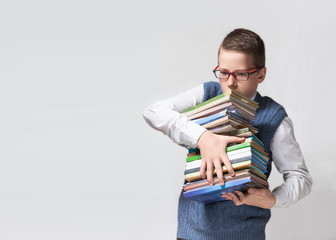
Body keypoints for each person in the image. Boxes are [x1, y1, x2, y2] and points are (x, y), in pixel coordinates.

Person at [142, 28, 312, 240]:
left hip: (246, 234)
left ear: (261, 74)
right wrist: (203, 138)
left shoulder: (274, 117)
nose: (230, 82)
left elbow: (300, 177)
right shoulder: (207, 94)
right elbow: (153, 112)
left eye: (241, 74)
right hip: (192, 232)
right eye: (223, 72)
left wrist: (274, 199)